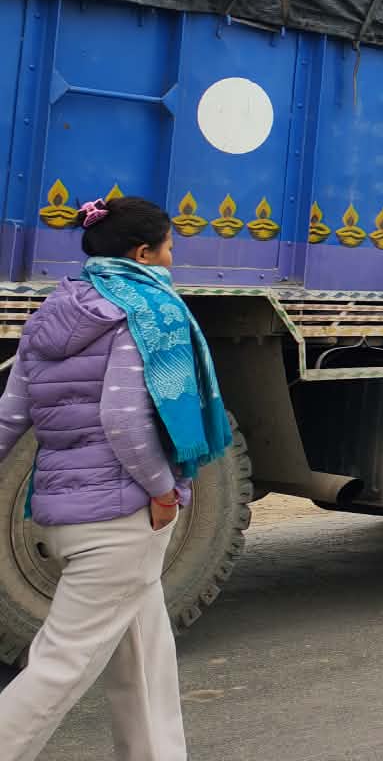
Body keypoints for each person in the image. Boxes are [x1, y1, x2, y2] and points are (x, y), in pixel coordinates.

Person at [0, 196, 234, 760]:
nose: (173, 260)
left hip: (64, 515)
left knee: (143, 648)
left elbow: (10, 415)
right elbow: (125, 421)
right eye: (170, 248)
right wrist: (160, 487)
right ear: (142, 252)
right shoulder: (145, 312)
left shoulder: (53, 313)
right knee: (62, 663)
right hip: (118, 517)